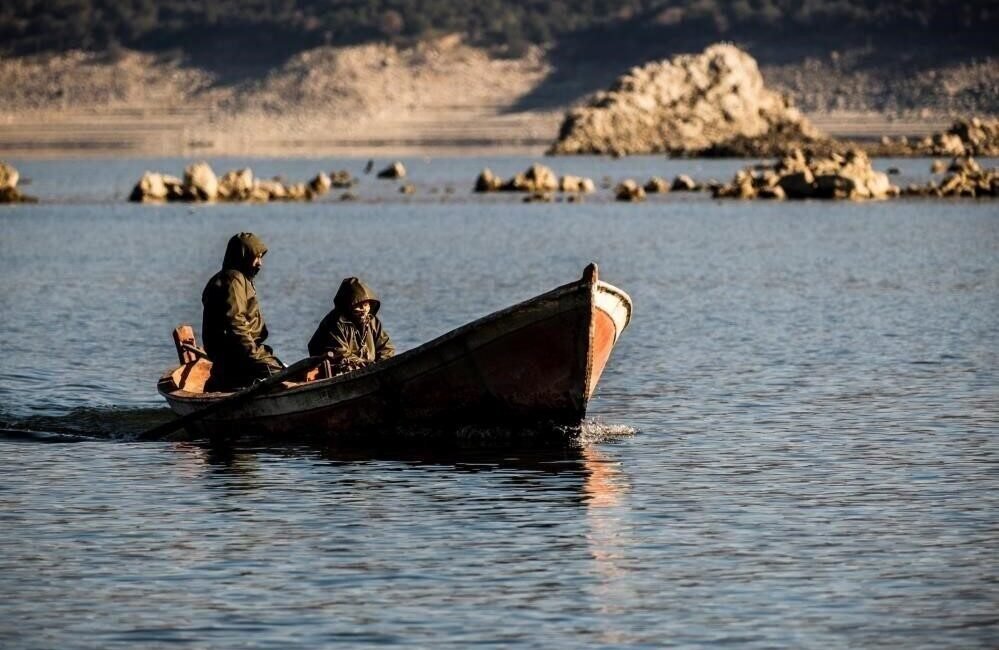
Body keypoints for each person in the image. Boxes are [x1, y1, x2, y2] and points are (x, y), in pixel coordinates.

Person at [201, 232, 284, 391]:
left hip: (240, 353)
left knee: (282, 370)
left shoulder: (238, 279)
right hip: (237, 355)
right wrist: (253, 355)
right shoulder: (233, 280)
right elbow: (235, 322)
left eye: (261, 258)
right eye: (256, 257)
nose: (260, 263)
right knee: (280, 375)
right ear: (244, 256)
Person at [308, 277, 395, 374]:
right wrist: (364, 365)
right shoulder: (336, 322)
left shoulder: (373, 321)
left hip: (368, 369)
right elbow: (339, 352)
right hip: (334, 370)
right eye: (359, 305)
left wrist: (380, 365)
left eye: (366, 305)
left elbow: (386, 348)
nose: (364, 310)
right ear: (348, 306)